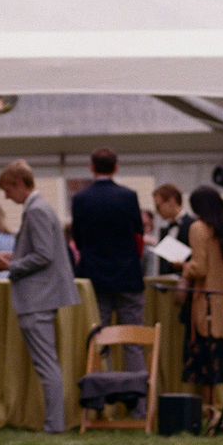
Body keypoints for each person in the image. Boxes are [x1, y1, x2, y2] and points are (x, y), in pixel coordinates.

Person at [0, 160, 76, 433]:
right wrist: (15, 257)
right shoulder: (40, 208)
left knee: (46, 364)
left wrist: (9, 265)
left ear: (20, 184)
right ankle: (54, 423)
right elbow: (41, 252)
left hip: (37, 298)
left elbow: (43, 255)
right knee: (48, 362)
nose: (6, 196)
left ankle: (54, 424)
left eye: (8, 189)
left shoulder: (35, 210)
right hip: (43, 296)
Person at [70, 148, 146, 365]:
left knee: (100, 340)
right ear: (116, 167)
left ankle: (103, 393)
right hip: (128, 276)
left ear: (91, 167)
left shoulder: (81, 199)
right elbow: (138, 232)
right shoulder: (128, 196)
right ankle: (138, 396)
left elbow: (78, 237)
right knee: (133, 340)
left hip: (95, 276)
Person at [180, 186, 223, 430]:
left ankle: (212, 412)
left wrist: (183, 266)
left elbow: (200, 268)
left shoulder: (199, 229)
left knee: (207, 363)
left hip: (207, 305)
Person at [150, 183, 193, 279]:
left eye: (158, 206)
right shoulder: (164, 229)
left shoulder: (192, 225)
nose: (157, 211)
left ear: (171, 201)